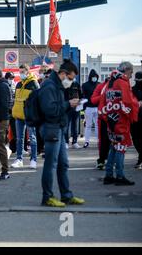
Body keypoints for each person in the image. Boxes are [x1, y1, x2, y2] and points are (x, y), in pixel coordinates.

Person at [39, 59, 85, 207]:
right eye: (70, 78)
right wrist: (68, 104)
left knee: (62, 164)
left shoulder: (58, 86)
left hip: (57, 128)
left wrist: (70, 105)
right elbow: (50, 109)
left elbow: (57, 107)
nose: (71, 82)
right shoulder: (49, 85)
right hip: (51, 128)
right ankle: (47, 197)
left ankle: (66, 195)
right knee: (51, 164)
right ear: (63, 74)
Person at [101, 62, 139, 186]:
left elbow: (103, 102)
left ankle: (108, 175)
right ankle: (120, 176)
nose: (132, 74)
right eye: (131, 71)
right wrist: (137, 106)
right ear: (126, 70)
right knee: (121, 148)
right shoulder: (122, 83)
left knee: (113, 146)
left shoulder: (109, 83)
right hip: (120, 120)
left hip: (111, 119)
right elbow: (127, 103)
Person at [11, 64, 39, 169]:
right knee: (19, 138)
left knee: (32, 137)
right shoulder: (18, 84)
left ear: (28, 72)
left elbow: (38, 99)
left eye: (23, 72)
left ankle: (33, 159)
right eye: (20, 71)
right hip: (19, 115)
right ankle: (19, 159)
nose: (21, 74)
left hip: (30, 115)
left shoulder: (34, 83)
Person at [91, 77, 111, 170]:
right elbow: (93, 100)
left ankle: (110, 160)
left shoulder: (118, 86)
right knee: (103, 140)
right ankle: (102, 160)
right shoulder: (100, 86)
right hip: (103, 116)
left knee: (113, 140)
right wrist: (103, 95)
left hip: (114, 117)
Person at [82, 69, 100, 148]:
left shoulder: (99, 84)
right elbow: (83, 96)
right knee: (88, 125)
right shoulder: (85, 85)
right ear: (90, 77)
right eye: (93, 76)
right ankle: (86, 141)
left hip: (97, 107)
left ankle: (99, 141)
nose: (94, 78)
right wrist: (84, 108)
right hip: (88, 108)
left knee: (97, 125)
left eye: (95, 76)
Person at [64, 79, 82, 149]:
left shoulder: (76, 84)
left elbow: (81, 95)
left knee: (75, 125)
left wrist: (80, 102)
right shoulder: (65, 84)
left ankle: (75, 142)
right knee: (66, 125)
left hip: (76, 107)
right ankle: (66, 142)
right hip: (67, 108)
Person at [131, 71, 142, 169]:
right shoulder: (132, 90)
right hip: (135, 118)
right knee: (136, 139)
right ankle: (141, 156)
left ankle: (141, 158)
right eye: (137, 80)